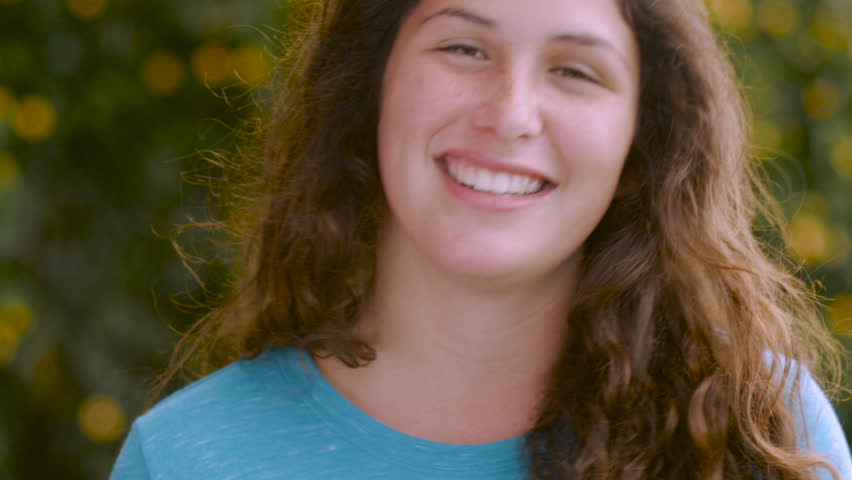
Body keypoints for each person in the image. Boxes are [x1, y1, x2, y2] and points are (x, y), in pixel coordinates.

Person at [110, 0, 852, 478]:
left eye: (575, 70)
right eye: (464, 48)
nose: (510, 114)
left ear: (643, 136)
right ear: (371, 83)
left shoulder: (761, 434)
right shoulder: (185, 455)